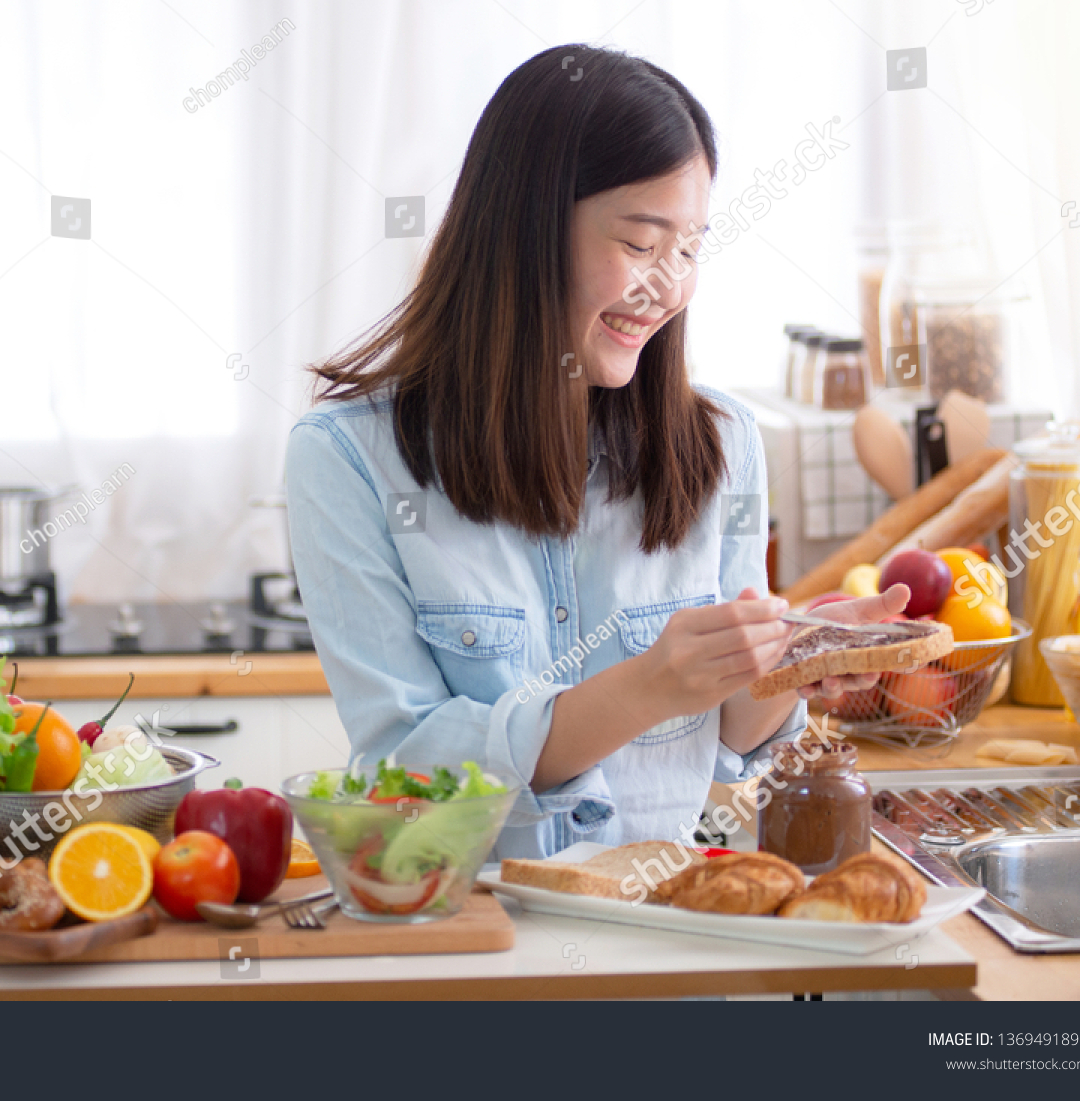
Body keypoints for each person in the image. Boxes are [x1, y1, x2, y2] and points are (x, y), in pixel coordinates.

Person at [285, 45, 908, 858]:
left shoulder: (721, 445)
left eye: (689, 248)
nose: (670, 287)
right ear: (526, 228)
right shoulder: (347, 459)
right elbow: (404, 765)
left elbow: (734, 735)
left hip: (665, 936)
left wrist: (787, 663)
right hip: (473, 943)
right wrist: (647, 685)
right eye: (643, 244)